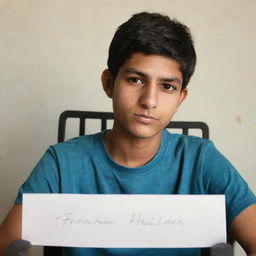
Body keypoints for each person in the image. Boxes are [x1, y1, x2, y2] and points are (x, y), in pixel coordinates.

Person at [0, 12, 256, 256]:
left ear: (180, 98)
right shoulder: (61, 162)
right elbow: (5, 246)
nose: (149, 100)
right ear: (109, 83)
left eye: (167, 86)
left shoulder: (202, 160)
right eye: (135, 80)